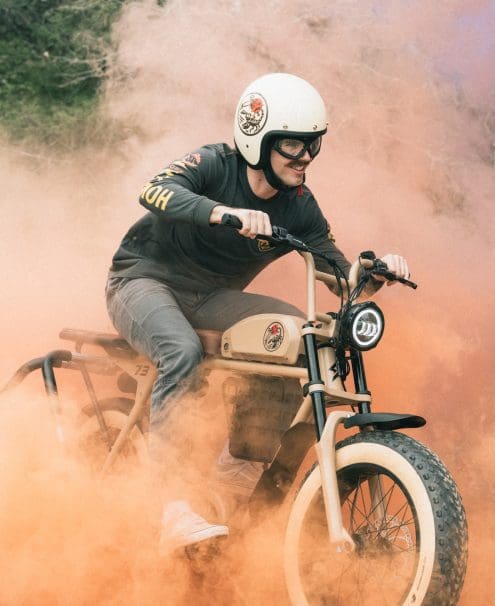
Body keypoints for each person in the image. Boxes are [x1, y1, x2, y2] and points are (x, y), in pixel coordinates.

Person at [105, 73, 410, 554]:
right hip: (142, 281)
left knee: (293, 334)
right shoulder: (212, 164)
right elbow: (155, 190)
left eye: (313, 145)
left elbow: (338, 274)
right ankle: (170, 509)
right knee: (180, 351)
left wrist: (374, 274)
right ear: (258, 139)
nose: (305, 156)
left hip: (210, 297)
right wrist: (222, 213)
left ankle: (232, 478)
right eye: (292, 144)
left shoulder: (299, 205)